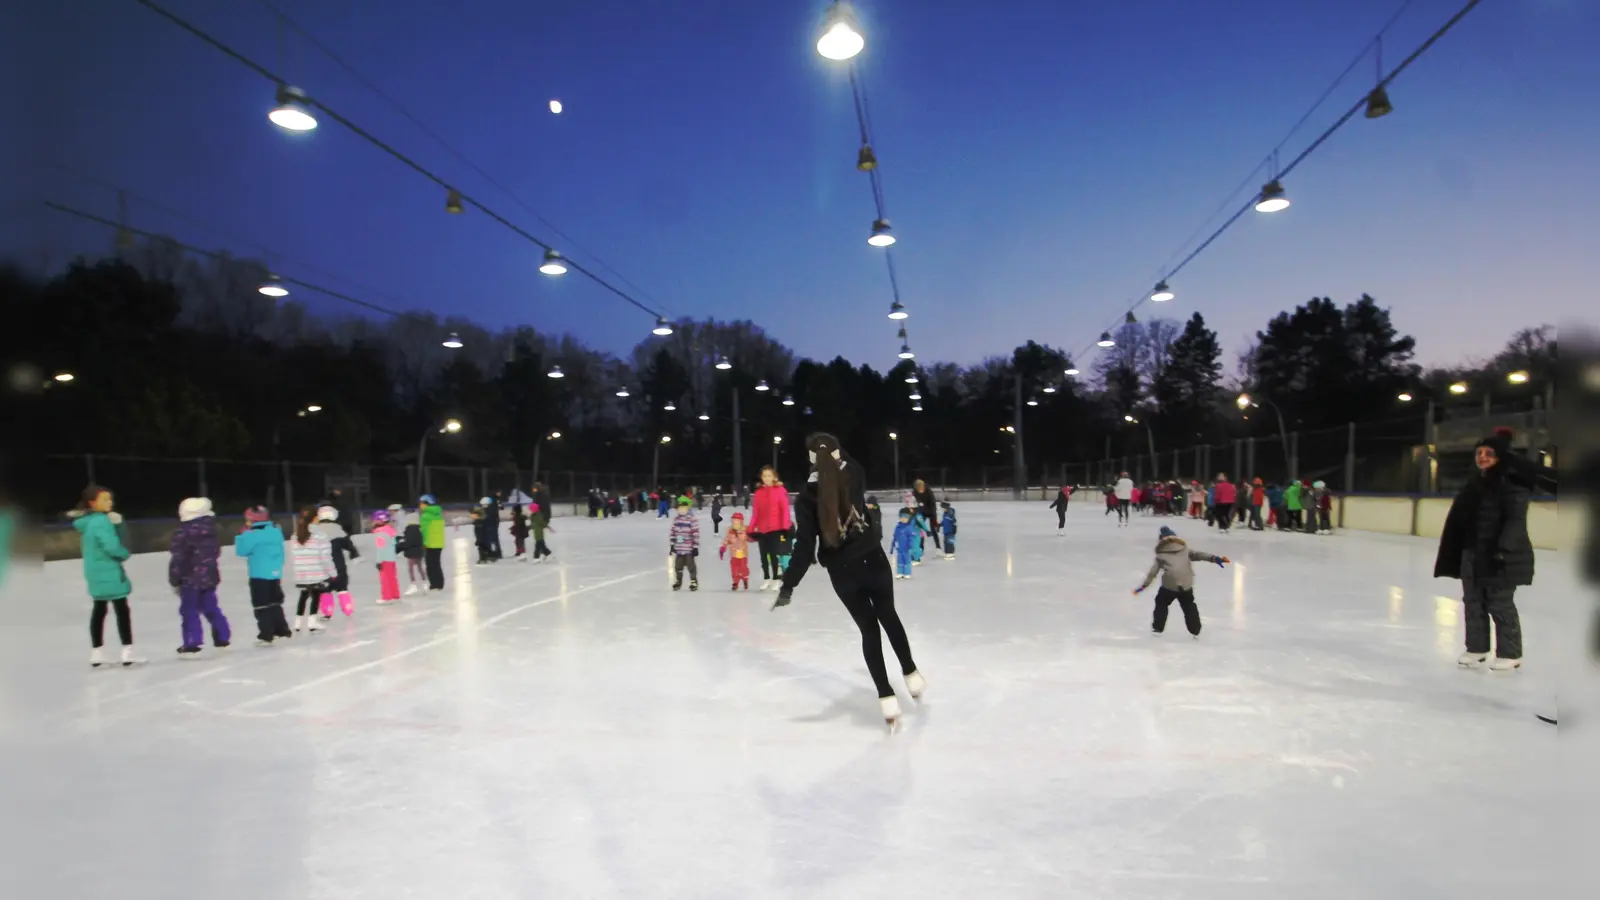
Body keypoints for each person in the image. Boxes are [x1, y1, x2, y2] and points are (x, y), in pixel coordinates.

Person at [774, 433, 925, 730]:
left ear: (811, 460)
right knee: (888, 617)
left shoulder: (806, 498)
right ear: (837, 454)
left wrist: (789, 584)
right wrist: (832, 452)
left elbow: (804, 548)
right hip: (873, 560)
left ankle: (887, 698)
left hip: (843, 573)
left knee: (869, 631)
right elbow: (850, 461)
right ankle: (911, 675)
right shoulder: (854, 475)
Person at [1434, 431, 1533, 670]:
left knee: (1499, 603)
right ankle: (1476, 648)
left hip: (1500, 555)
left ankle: (1511, 653)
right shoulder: (1473, 484)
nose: (1483, 457)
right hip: (1472, 552)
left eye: (1489, 453)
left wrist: (1504, 549)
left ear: (1500, 457)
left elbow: (1515, 520)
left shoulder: (1512, 483)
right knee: (1473, 601)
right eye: (1479, 453)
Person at [73, 485, 143, 667]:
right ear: (92, 503)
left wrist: (117, 524)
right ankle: (127, 652)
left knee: (99, 610)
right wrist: (124, 553)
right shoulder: (101, 522)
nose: (110, 502)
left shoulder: (87, 522)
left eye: (110, 499)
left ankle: (96, 653)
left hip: (94, 573)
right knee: (122, 610)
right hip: (110, 572)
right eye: (105, 499)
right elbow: (112, 546)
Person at [1133, 525, 1229, 638]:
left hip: (1170, 584)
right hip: (1186, 583)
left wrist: (1143, 587)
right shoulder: (1185, 550)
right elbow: (1199, 555)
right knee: (1188, 604)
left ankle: (1157, 628)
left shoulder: (1161, 555)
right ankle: (1195, 630)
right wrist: (1215, 558)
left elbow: (1152, 573)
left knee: (1161, 602)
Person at [169, 497, 230, 656]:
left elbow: (179, 559)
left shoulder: (182, 533)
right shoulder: (211, 531)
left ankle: (192, 641)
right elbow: (214, 553)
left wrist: (174, 578)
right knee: (211, 607)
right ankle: (222, 636)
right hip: (209, 577)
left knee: (189, 610)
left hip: (189, 579)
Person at [235, 505, 291, 644]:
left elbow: (241, 551)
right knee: (275, 602)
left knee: (262, 604)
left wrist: (243, 535)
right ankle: (282, 630)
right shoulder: (275, 531)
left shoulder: (253, 535)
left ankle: (266, 634)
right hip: (275, 573)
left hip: (259, 574)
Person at [291, 507, 338, 633]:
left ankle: (298, 622)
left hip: (301, 573)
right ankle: (312, 622)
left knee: (303, 595)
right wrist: (332, 572)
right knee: (316, 595)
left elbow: (295, 554)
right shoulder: (320, 535)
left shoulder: (296, 535)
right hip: (316, 572)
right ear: (315, 518)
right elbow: (325, 557)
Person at [750, 466, 793, 591]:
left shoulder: (780, 490)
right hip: (763, 529)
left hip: (776, 528)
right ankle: (766, 577)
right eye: (764, 476)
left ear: (774, 477)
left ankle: (775, 578)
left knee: (774, 555)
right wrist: (751, 528)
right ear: (762, 478)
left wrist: (785, 527)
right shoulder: (758, 493)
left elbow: (785, 510)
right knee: (763, 556)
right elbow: (756, 513)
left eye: (769, 475)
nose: (767, 478)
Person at [668, 495, 700, 591]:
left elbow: (695, 533)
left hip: (688, 549)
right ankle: (678, 580)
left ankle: (693, 581)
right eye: (680, 508)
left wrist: (695, 546)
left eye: (683, 508)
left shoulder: (692, 519)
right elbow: (673, 532)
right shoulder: (676, 520)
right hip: (679, 548)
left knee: (691, 566)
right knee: (678, 566)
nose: (681, 510)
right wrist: (672, 544)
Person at [371, 509, 401, 604]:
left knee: (385, 579)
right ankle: (395, 595)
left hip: (384, 559)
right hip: (391, 559)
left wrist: (379, 561)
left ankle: (387, 597)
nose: (373, 522)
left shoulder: (380, 533)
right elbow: (393, 544)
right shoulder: (390, 531)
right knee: (392, 577)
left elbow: (380, 548)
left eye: (375, 520)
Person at [419, 494, 446, 590]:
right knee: (436, 564)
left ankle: (434, 584)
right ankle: (439, 583)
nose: (420, 506)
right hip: (438, 542)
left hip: (430, 543)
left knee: (430, 565)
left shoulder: (426, 516)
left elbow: (425, 531)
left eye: (421, 504)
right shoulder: (438, 513)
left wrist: (423, 542)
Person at [719, 511, 751, 590]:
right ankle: (735, 582)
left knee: (743, 568)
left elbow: (748, 538)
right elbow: (727, 539)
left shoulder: (745, 530)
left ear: (741, 522)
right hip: (734, 553)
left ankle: (745, 579)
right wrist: (723, 547)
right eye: (734, 521)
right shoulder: (730, 531)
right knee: (734, 569)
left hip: (743, 553)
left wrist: (741, 533)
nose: (735, 523)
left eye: (737, 521)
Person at [399, 510, 426, 593]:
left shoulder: (409, 530)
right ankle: (425, 582)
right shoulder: (420, 529)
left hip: (411, 552)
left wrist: (401, 546)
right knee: (420, 567)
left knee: (411, 568)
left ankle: (413, 584)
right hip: (419, 551)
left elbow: (409, 542)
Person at [911, 478, 941, 549]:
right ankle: (921, 548)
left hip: (932, 512)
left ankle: (938, 547)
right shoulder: (914, 492)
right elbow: (913, 503)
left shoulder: (929, 492)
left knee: (933, 530)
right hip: (922, 512)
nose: (920, 491)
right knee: (921, 529)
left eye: (921, 489)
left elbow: (933, 505)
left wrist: (934, 520)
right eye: (919, 490)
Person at [890, 509, 917, 580]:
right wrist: (893, 545)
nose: (903, 519)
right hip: (899, 547)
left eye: (905, 517)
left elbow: (912, 537)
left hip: (906, 548)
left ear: (909, 518)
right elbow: (895, 536)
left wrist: (911, 545)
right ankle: (900, 572)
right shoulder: (898, 527)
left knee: (907, 560)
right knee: (900, 560)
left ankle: (907, 573)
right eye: (901, 517)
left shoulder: (909, 528)